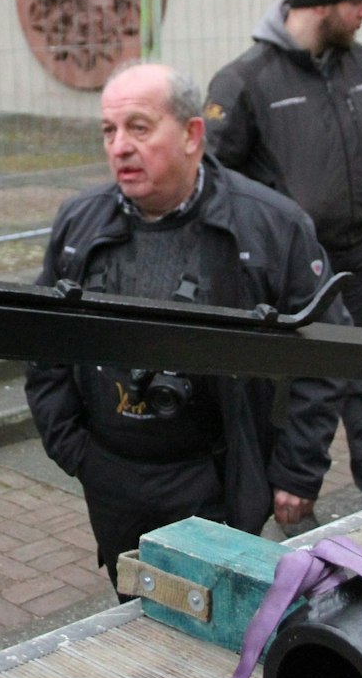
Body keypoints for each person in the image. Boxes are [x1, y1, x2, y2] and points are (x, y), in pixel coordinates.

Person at [25, 63, 345, 584]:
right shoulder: (79, 224)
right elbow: (43, 343)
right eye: (109, 130)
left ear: (193, 134)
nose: (119, 147)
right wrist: (75, 451)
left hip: (218, 477)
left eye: (139, 127)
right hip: (111, 477)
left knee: (224, 613)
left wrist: (297, 469)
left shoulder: (270, 226)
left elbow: (326, 353)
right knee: (135, 611)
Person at [204, 0, 362, 507]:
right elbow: (212, 178)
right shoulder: (244, 80)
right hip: (291, 270)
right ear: (322, 6)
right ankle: (280, 496)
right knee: (289, 390)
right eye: (356, 2)